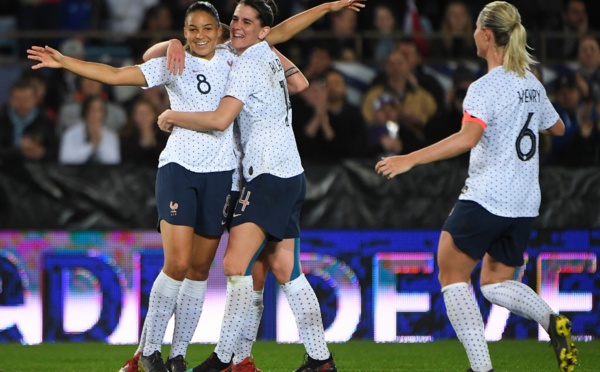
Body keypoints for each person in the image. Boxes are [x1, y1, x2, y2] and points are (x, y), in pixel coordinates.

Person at [156, 2, 365, 371]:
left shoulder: (248, 61)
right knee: (284, 270)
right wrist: (176, 41)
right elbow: (298, 81)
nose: (236, 26)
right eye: (234, 19)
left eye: (246, 22)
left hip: (266, 175)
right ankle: (319, 359)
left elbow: (222, 119)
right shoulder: (262, 51)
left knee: (235, 264)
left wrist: (172, 115)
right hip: (289, 172)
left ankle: (224, 359)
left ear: (263, 29)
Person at [375, 2, 577, 372]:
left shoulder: (484, 87)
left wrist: (409, 159)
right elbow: (559, 128)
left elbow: (468, 138)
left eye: (474, 29)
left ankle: (481, 369)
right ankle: (552, 320)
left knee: (451, 273)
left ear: (486, 35)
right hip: (525, 201)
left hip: (489, 195)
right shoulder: (530, 82)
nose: (472, 35)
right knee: (493, 283)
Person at [58, 95, 121, 165]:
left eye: (99, 110)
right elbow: (66, 160)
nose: (96, 114)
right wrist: (90, 146)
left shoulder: (111, 136)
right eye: (92, 110)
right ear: (85, 112)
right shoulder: (70, 134)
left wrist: (100, 142)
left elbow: (114, 161)